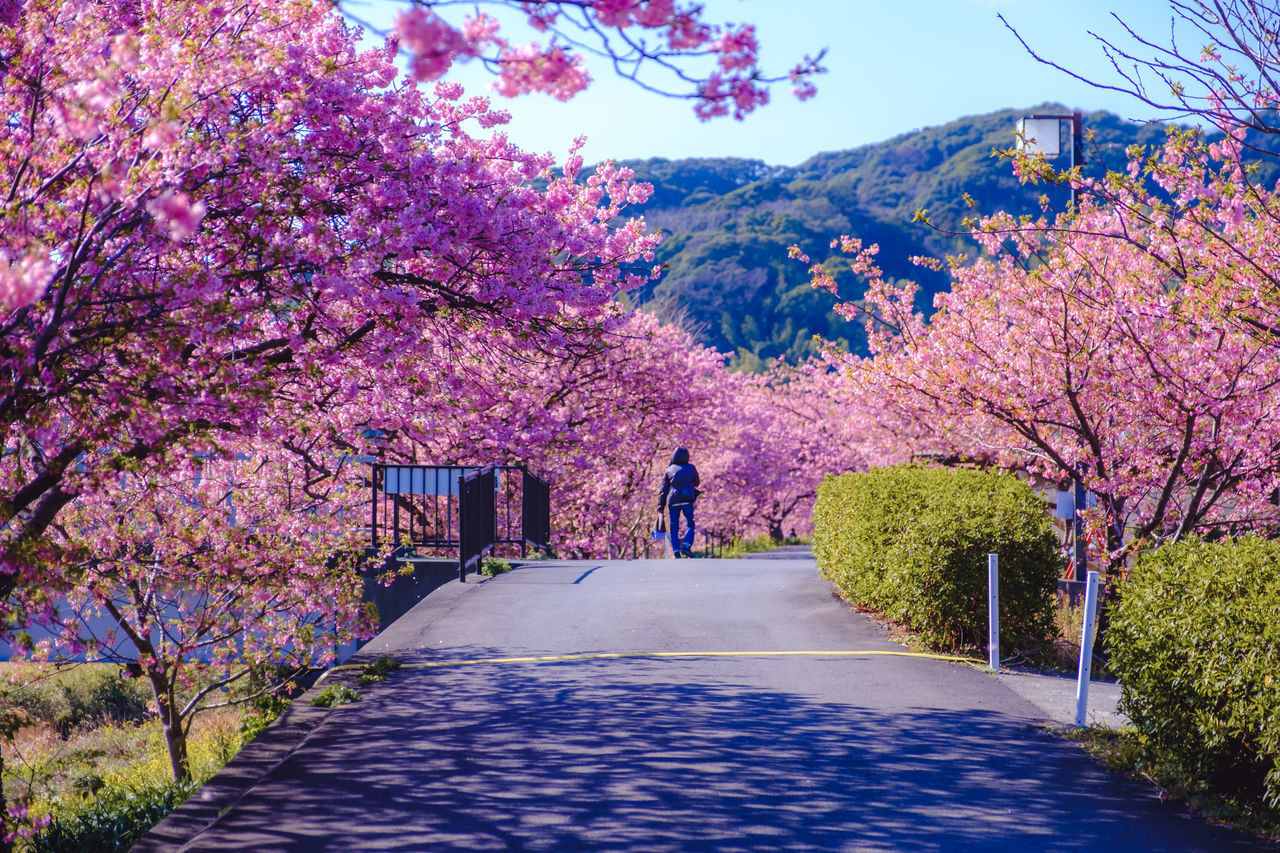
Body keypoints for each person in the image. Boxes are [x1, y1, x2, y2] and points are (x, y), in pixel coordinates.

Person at [658, 446, 700, 558]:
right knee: (690, 522)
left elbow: (663, 490)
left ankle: (676, 552)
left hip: (673, 500)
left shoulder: (669, 469)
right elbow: (697, 483)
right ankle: (686, 545)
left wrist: (660, 506)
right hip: (687, 500)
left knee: (674, 526)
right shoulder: (691, 468)